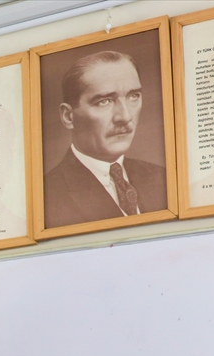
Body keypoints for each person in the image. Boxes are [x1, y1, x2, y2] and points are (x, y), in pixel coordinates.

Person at [44, 49, 168, 228]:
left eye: (133, 96)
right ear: (68, 117)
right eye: (104, 101)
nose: (125, 116)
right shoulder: (49, 196)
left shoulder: (162, 177)